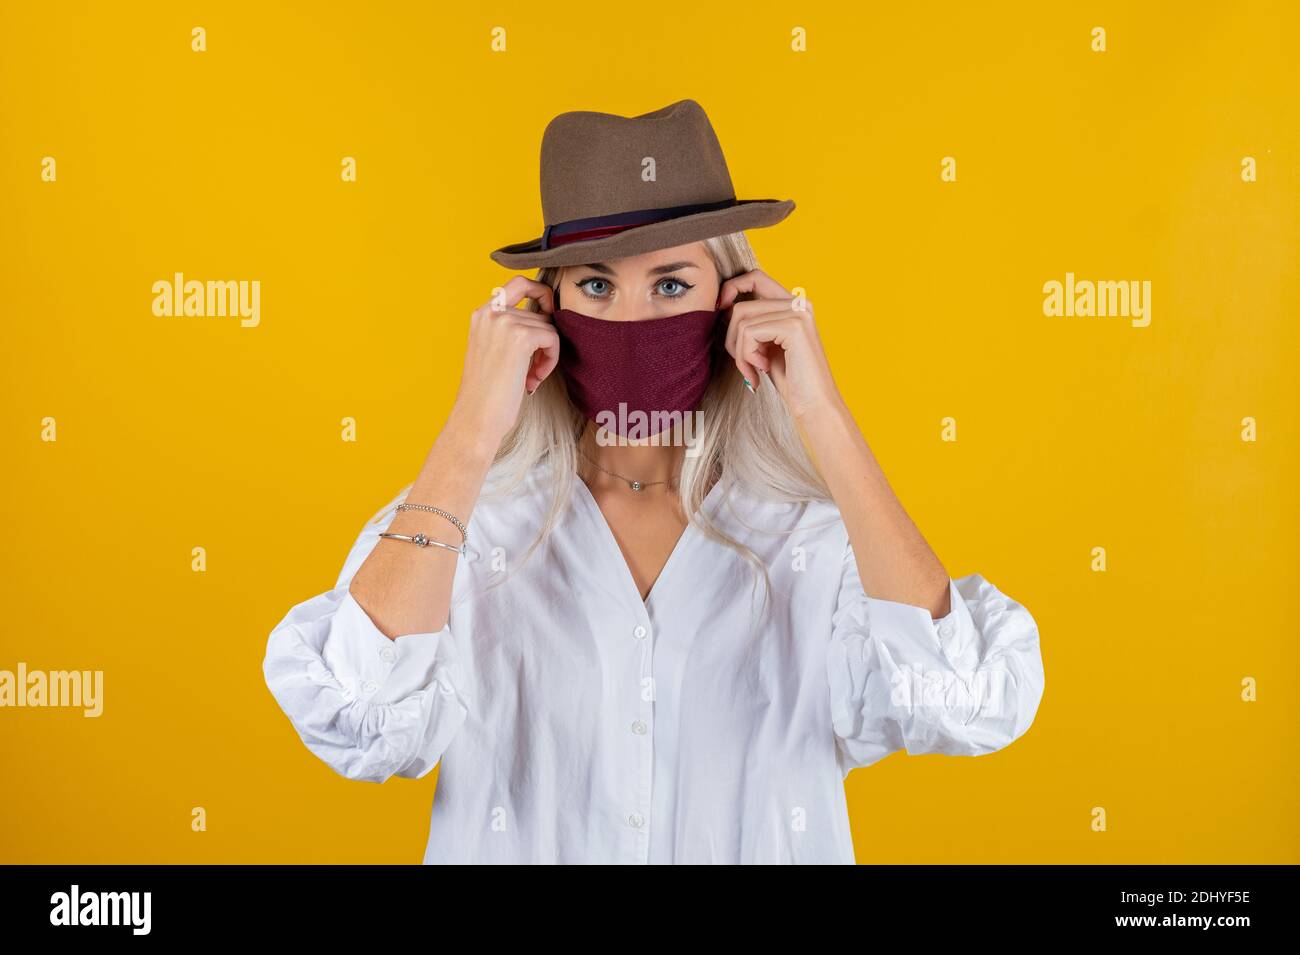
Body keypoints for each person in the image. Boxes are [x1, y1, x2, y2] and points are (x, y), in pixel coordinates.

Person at [261, 99, 1045, 864]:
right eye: (596, 287)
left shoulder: (814, 541)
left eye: (671, 285)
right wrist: (471, 430)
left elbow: (964, 697)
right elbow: (355, 717)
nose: (632, 318)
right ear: (547, 307)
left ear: (731, 300)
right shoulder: (472, 526)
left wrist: (821, 410)